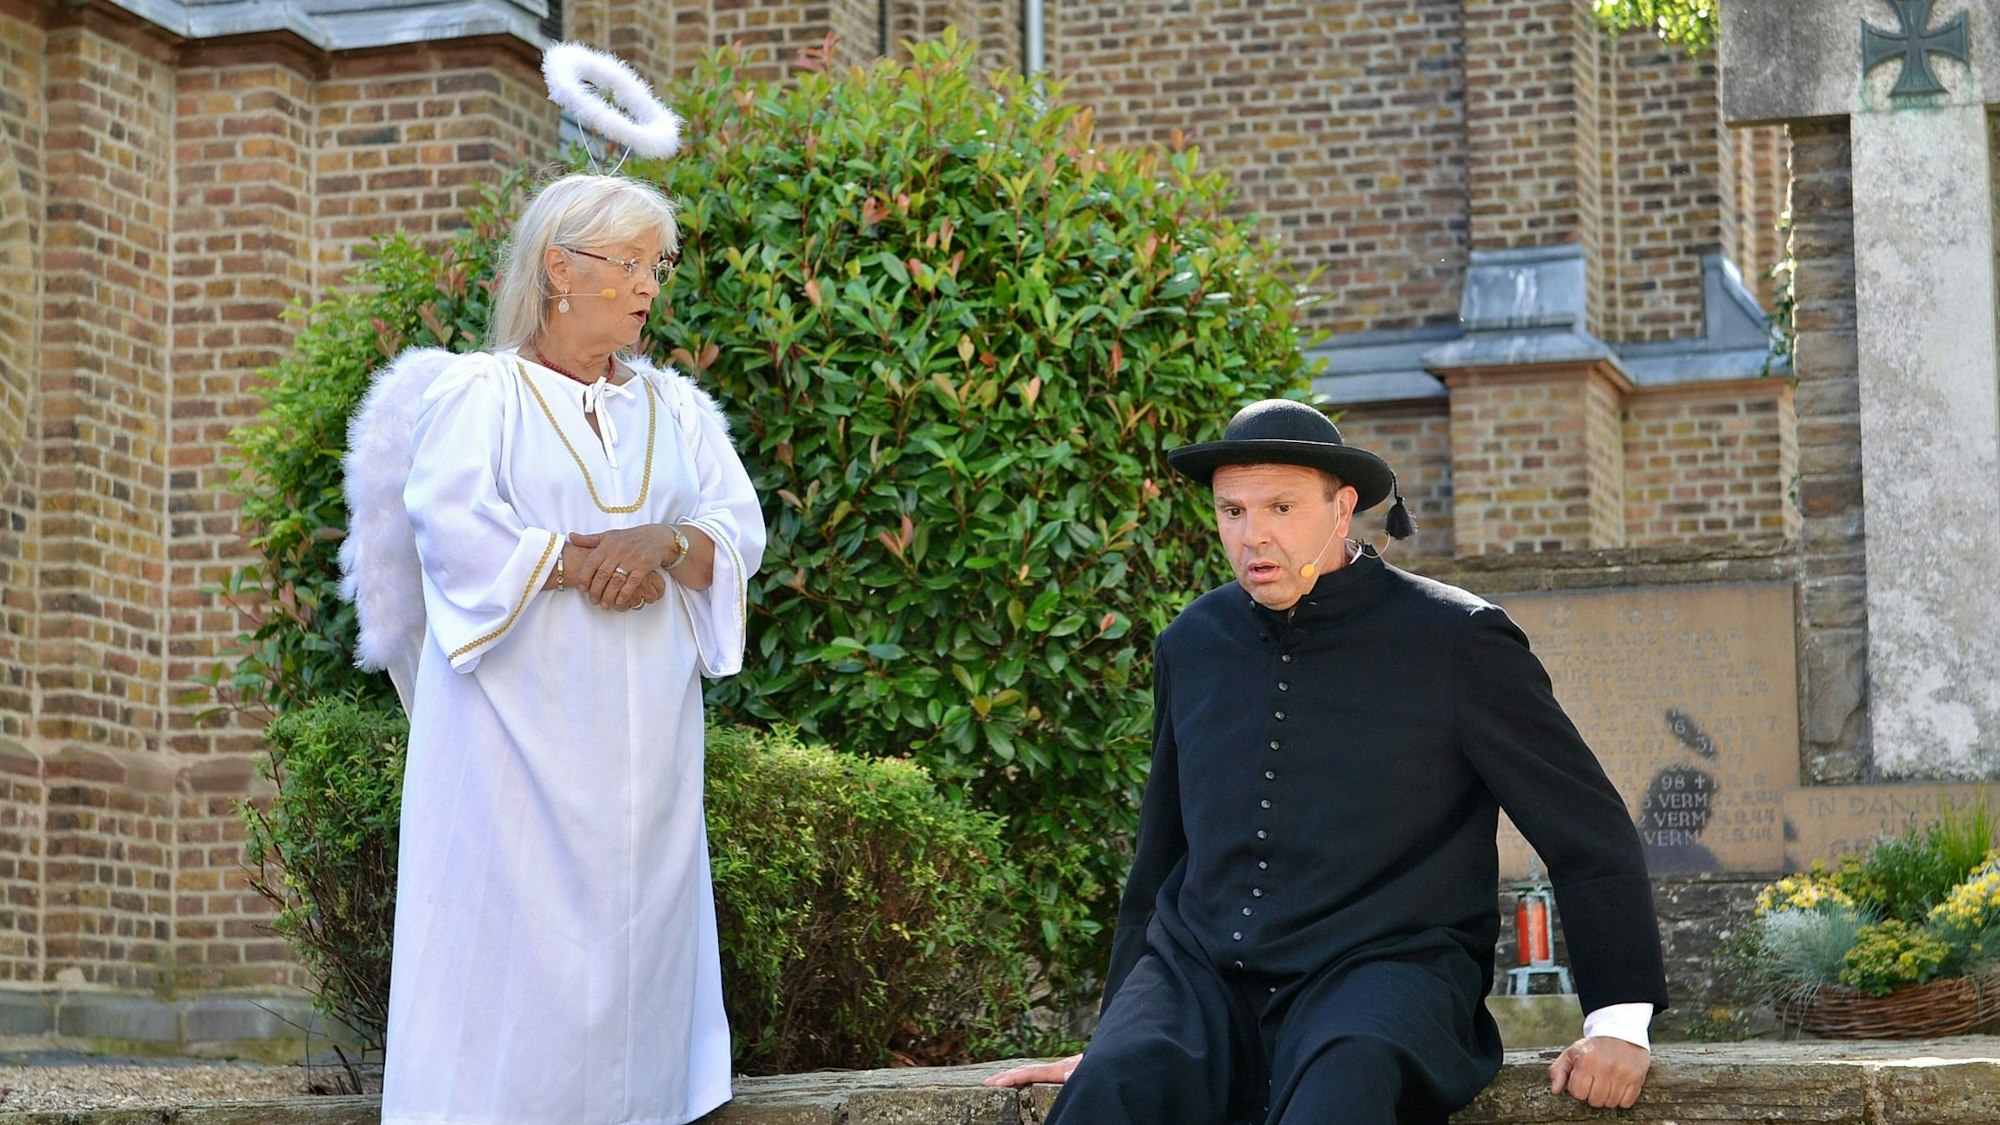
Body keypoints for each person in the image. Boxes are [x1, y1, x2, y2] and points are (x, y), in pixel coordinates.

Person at [987, 399, 1668, 1123]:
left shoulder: (1457, 640)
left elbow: (1583, 825)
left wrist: (1619, 1024)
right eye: (1232, 511)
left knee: (1345, 1079)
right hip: (1200, 975)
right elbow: (1161, 854)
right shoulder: (1192, 642)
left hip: (1384, 971)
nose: (1253, 535)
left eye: (1280, 507)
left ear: (1342, 509)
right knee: (1112, 1088)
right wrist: (1116, 1035)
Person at [351, 172, 765, 1124]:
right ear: (558, 267)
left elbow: (735, 532)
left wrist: (665, 542)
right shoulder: (480, 394)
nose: (648, 286)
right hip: (510, 752)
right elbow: (451, 528)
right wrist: (583, 563)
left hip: (647, 757)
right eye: (629, 263)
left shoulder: (677, 410)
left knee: (638, 977)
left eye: (657, 265)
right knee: (507, 986)